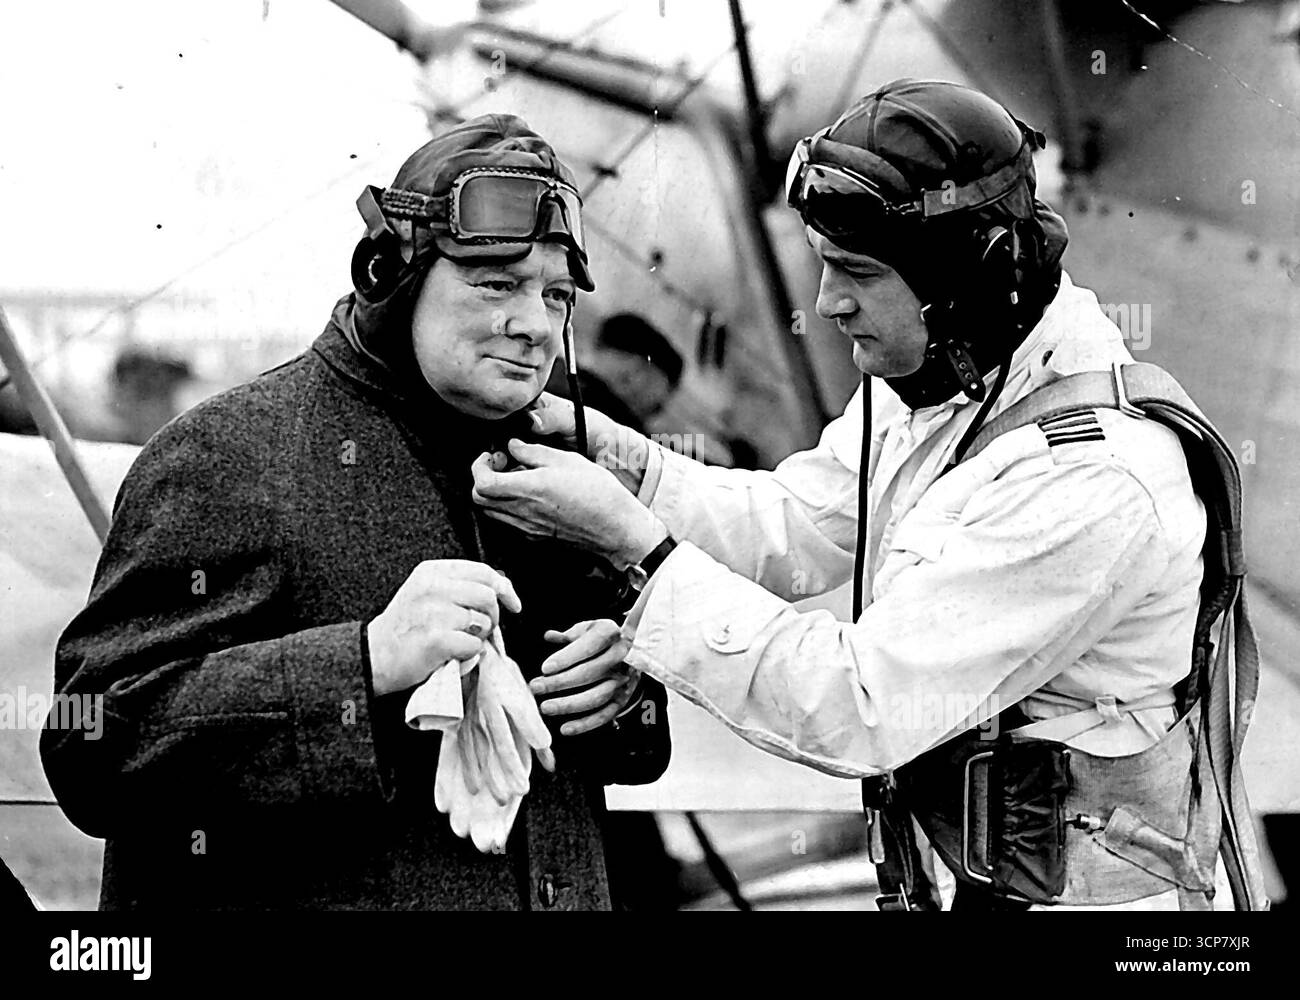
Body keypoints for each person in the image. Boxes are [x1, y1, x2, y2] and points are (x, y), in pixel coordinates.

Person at [471, 80, 1267, 910]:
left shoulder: (1096, 478)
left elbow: (861, 704)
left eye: (855, 272)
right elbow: (796, 526)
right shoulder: (941, 366)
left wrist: (635, 544)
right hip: (967, 882)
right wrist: (621, 458)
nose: (827, 303)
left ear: (972, 274)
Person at [41, 113, 669, 911]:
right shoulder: (228, 454)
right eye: (497, 282)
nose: (536, 325)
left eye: (554, 295)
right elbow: (91, 747)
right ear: (390, 278)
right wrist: (365, 663)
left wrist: (627, 685)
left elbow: (619, 752)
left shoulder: (562, 471)